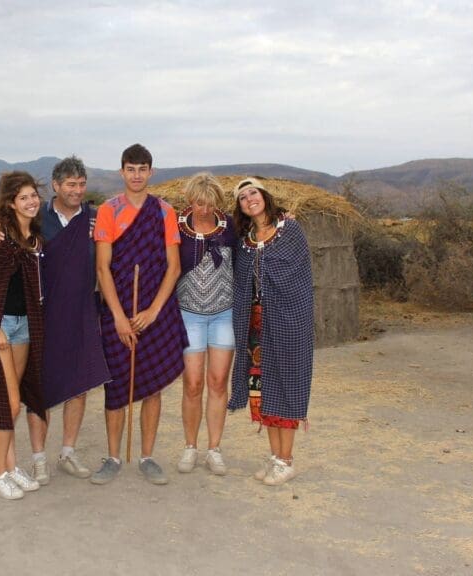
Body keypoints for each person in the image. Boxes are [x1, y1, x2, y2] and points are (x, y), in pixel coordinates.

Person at [0, 156, 111, 484]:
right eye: (70, 184)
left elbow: (108, 262)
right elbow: (1, 247)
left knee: (78, 386)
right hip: (40, 318)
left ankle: (67, 451)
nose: (77, 190)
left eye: (81, 184)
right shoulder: (39, 218)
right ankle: (36, 459)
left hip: (78, 313)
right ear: (56, 186)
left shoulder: (95, 220)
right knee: (37, 387)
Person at [91, 143, 187, 486]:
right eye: (130, 169)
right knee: (115, 386)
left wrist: (153, 310)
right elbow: (102, 269)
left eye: (142, 169)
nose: (136, 175)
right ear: (122, 172)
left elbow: (173, 267)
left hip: (154, 312)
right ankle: (113, 457)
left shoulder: (164, 212)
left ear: (151, 172)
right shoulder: (108, 210)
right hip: (117, 309)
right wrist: (117, 316)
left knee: (153, 385)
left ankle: (147, 456)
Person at [228, 177, 314, 486]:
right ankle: (276, 457)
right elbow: (242, 279)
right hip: (256, 325)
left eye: (253, 192)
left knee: (286, 385)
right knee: (263, 391)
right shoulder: (244, 238)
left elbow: (296, 273)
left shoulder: (288, 230)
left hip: (287, 322)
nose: (249, 198)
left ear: (264, 195)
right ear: (240, 207)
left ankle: (287, 460)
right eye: (242, 197)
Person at [0, 171, 47, 500]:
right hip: (0, 324)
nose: (31, 202)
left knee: (14, 403)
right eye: (24, 197)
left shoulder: (35, 240)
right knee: (9, 403)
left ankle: (12, 466)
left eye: (34, 196)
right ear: (10, 203)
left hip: (25, 325)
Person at [173, 173, 238, 476]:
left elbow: (257, 237)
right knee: (193, 383)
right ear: (190, 201)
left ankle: (214, 448)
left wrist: (285, 217)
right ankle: (190, 447)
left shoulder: (230, 227)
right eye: (198, 203)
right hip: (189, 315)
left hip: (224, 314)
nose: (203, 209)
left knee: (217, 382)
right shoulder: (177, 228)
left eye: (209, 204)